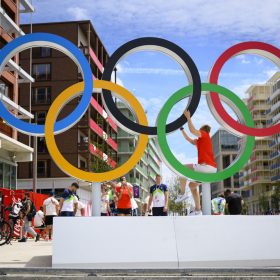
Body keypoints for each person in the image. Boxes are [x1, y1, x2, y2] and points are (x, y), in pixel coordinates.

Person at [175, 110, 217, 216]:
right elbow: (188, 139)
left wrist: (188, 117)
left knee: (181, 168)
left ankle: (182, 193)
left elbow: (193, 131)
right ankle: (198, 210)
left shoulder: (205, 134)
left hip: (206, 166)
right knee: (192, 185)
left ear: (203, 130)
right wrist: (181, 129)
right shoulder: (200, 141)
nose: (198, 131)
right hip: (208, 170)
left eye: (200, 130)